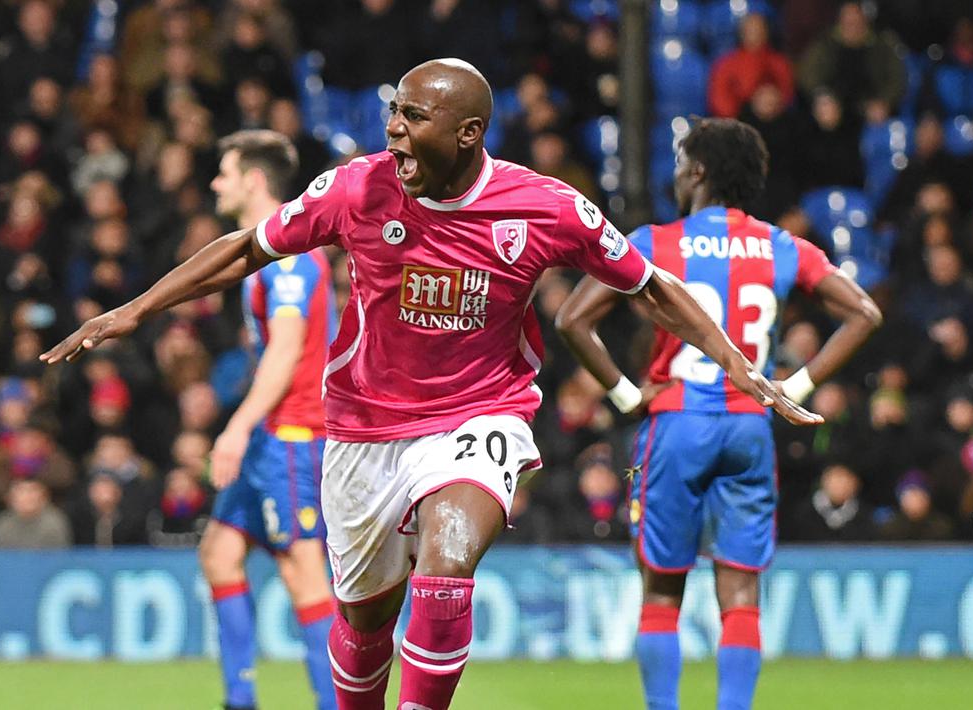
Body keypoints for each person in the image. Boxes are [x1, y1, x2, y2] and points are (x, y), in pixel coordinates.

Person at [41, 59, 816, 710]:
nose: (394, 130)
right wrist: (134, 310)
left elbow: (648, 286)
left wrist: (740, 365)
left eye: (413, 117)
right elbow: (248, 247)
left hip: (481, 413)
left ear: (467, 132)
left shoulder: (543, 207)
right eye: (393, 114)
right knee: (366, 618)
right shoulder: (356, 187)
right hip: (363, 430)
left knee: (446, 558)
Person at [556, 118, 881, 710]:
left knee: (661, 591)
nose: (676, 172)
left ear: (699, 170)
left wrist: (628, 396)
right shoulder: (782, 246)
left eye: (682, 162)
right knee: (740, 591)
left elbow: (572, 319)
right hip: (748, 427)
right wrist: (795, 385)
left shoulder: (656, 241)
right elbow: (864, 312)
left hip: (677, 423)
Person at [198, 130, 338, 710]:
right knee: (219, 554)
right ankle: (240, 700)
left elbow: (284, 353)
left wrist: (235, 426)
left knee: (305, 576)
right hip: (270, 437)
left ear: (254, 182)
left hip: (294, 436)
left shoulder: (287, 258)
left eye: (225, 173)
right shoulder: (264, 251)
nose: (215, 183)